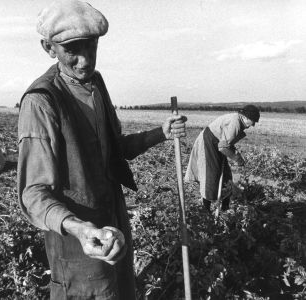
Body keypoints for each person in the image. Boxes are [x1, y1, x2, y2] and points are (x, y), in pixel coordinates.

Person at [17, 0, 187, 299]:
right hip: (76, 237)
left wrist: (161, 133)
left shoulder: (96, 84)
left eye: (91, 47)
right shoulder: (41, 101)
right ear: (48, 47)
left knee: (121, 291)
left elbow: (115, 149)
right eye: (72, 50)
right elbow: (33, 194)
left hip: (113, 221)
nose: (84, 60)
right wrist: (80, 229)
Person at [184, 105, 260, 211]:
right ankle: (205, 211)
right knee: (211, 175)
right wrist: (237, 159)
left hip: (217, 144)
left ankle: (225, 209)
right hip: (209, 143)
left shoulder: (237, 120)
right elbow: (223, 147)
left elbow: (226, 143)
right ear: (246, 117)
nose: (253, 125)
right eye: (253, 121)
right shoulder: (235, 122)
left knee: (226, 176)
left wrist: (237, 155)